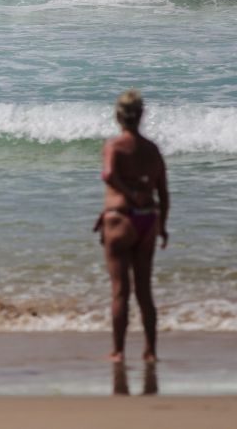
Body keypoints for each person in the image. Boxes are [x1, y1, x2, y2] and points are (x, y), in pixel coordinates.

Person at [95, 89, 170, 363]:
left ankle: (118, 352)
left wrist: (127, 194)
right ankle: (150, 351)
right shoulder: (152, 150)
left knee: (120, 291)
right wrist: (162, 225)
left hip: (118, 219)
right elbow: (163, 191)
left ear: (118, 116)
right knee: (144, 291)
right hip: (147, 220)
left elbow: (110, 175)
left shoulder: (113, 146)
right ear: (141, 116)